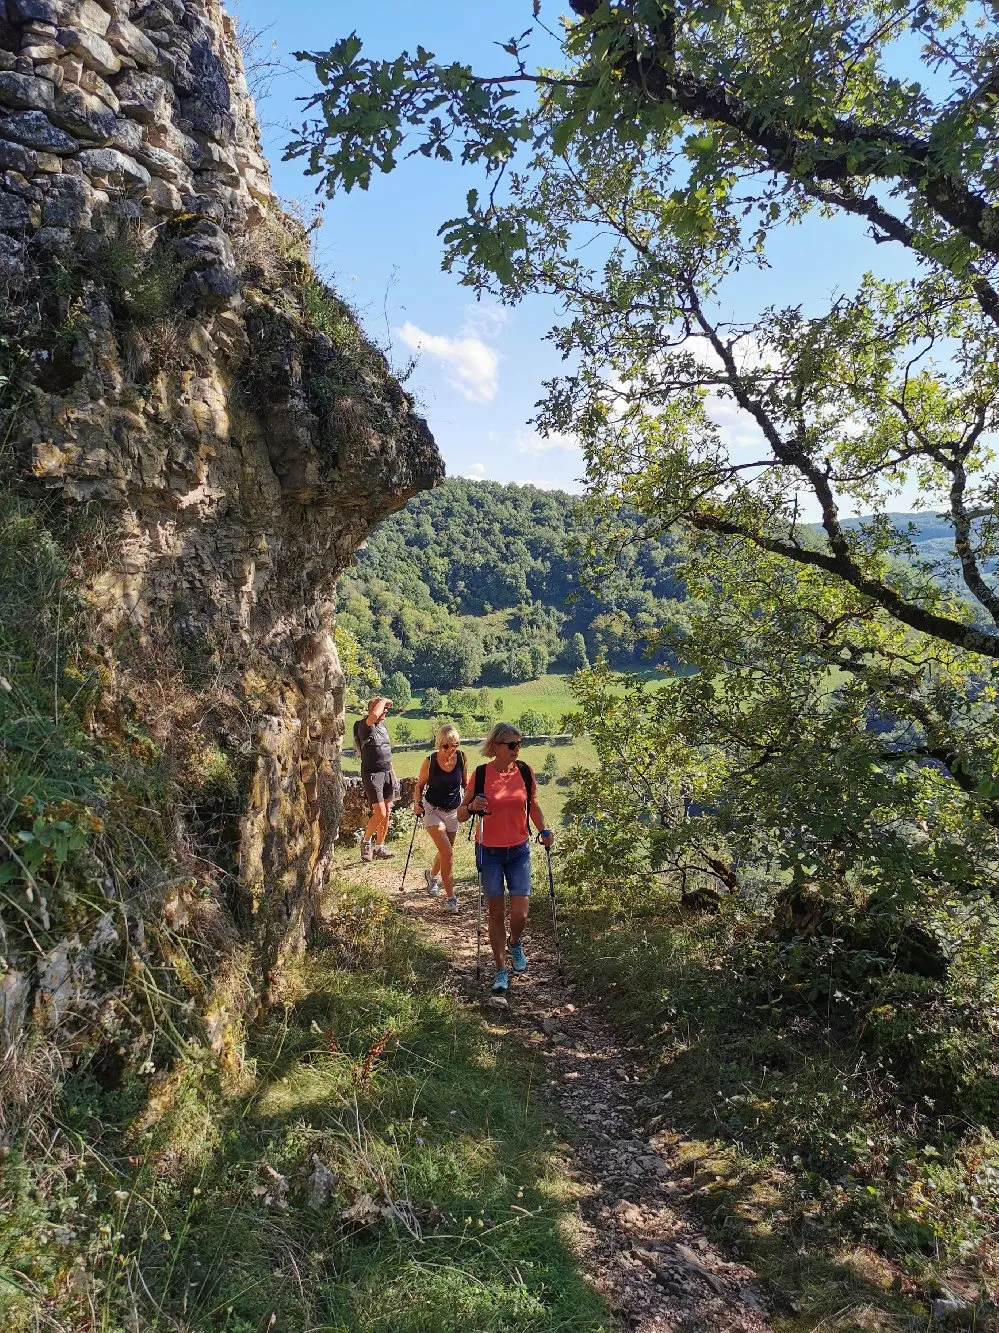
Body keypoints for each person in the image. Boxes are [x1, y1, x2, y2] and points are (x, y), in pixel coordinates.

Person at [457, 721, 554, 998]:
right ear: (496, 747)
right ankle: (501, 969)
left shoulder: (524, 772)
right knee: (496, 912)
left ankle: (515, 942)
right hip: (489, 851)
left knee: (521, 913)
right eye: (512, 745)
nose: (517, 749)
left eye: (519, 744)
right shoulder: (481, 774)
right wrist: (473, 806)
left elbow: (532, 805)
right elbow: (461, 813)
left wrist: (544, 830)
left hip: (519, 849)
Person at [413, 724, 465, 914]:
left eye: (455, 745)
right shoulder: (430, 761)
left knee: (445, 851)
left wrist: (471, 803)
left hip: (453, 811)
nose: (451, 749)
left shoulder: (461, 758)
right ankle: (451, 898)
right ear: (439, 744)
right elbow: (418, 786)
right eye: (446, 746)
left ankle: (431, 875)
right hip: (432, 809)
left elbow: (466, 784)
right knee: (448, 853)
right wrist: (417, 803)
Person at [353, 696, 398, 864]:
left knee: (387, 812)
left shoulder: (382, 727)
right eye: (381, 708)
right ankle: (365, 842)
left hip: (386, 773)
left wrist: (393, 775)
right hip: (372, 774)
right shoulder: (364, 726)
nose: (385, 710)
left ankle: (379, 847)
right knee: (380, 812)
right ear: (371, 709)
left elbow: (386, 752)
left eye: (386, 708)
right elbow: (375, 713)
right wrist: (385, 699)